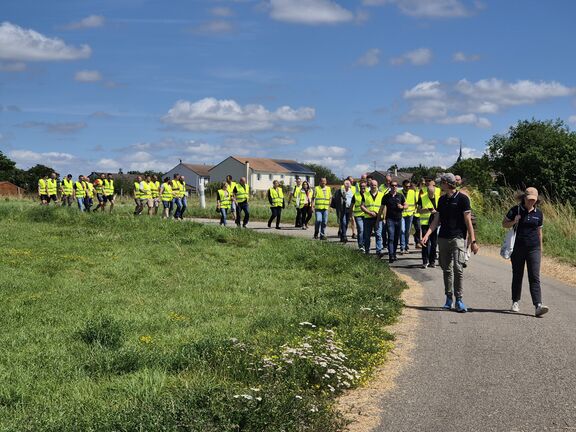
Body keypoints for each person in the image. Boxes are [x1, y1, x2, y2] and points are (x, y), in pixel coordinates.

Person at [421, 173, 479, 313]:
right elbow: (436, 220)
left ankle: (459, 299)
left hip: (458, 238)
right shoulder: (441, 200)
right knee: (446, 269)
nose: (440, 185)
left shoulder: (463, 199)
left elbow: (468, 221)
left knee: (458, 268)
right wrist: (427, 234)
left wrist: (473, 241)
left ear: (447, 183)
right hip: (443, 238)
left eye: (441, 182)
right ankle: (448, 298)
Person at [502, 187, 549, 317]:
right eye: (529, 200)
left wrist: (540, 250)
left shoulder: (539, 213)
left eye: (533, 200)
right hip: (518, 248)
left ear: (536, 200)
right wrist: (513, 221)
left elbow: (539, 233)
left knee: (534, 277)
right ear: (524, 198)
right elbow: (504, 224)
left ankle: (538, 305)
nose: (530, 202)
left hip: (533, 248)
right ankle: (515, 301)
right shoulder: (515, 210)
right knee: (517, 275)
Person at [380, 181, 407, 263]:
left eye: (396, 185)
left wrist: (402, 206)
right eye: (393, 185)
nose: (394, 187)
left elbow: (406, 205)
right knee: (391, 237)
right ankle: (391, 255)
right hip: (390, 219)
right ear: (390, 186)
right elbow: (381, 208)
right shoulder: (386, 196)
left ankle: (394, 253)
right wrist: (379, 219)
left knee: (396, 238)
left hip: (398, 219)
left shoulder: (400, 195)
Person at [361, 179, 385, 257]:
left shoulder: (382, 195)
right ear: (369, 186)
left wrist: (384, 217)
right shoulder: (365, 194)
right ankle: (367, 251)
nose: (373, 186)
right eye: (372, 185)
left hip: (379, 218)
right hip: (368, 218)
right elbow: (362, 206)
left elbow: (384, 207)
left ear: (377, 186)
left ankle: (379, 251)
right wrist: (369, 212)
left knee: (378, 235)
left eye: (375, 185)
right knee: (367, 236)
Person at [418, 185, 440, 268]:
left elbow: (441, 209)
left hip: (435, 223)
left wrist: (436, 211)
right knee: (425, 243)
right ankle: (425, 261)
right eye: (430, 193)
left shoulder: (438, 197)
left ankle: (432, 261)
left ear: (434, 191)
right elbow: (418, 210)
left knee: (434, 243)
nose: (431, 195)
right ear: (427, 191)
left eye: (432, 193)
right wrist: (426, 210)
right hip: (425, 223)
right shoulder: (422, 197)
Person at [398, 179, 417, 254]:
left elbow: (415, 202)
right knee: (402, 230)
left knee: (407, 231)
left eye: (409, 186)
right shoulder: (399, 192)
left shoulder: (412, 192)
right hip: (402, 214)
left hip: (410, 214)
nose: (408, 188)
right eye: (406, 186)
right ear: (403, 186)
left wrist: (414, 210)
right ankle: (402, 247)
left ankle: (406, 246)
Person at [353, 180, 367, 252]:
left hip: (367, 215)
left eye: (364, 186)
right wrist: (350, 216)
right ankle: (361, 245)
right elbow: (352, 205)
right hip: (358, 215)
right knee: (361, 230)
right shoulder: (355, 195)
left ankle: (365, 244)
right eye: (361, 186)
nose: (362, 188)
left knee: (366, 231)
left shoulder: (368, 195)